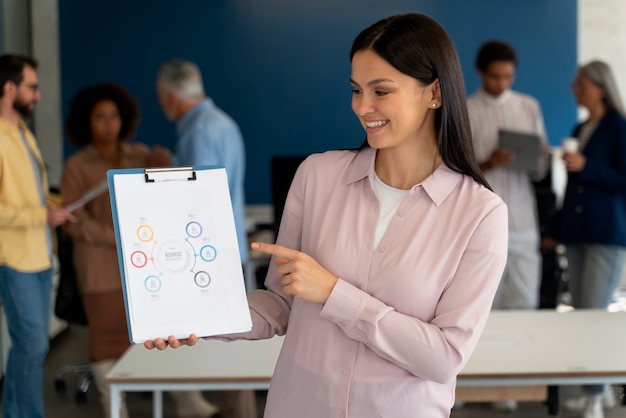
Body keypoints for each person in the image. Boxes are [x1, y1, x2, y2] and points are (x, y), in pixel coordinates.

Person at [145, 13, 508, 418]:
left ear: (434, 93)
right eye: (356, 89)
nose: (362, 106)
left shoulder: (480, 213)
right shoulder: (317, 175)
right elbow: (279, 305)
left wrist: (334, 293)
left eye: (381, 91)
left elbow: (443, 358)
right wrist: (193, 317)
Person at [60, 82, 220, 418]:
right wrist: (119, 236)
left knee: (166, 332)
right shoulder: (76, 165)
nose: (109, 123)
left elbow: (165, 198)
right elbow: (73, 222)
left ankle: (187, 402)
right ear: (85, 122)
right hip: (100, 268)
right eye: (100, 117)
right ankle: (114, 408)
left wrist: (168, 164)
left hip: (146, 265)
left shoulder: (140, 155)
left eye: (114, 116)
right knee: (106, 340)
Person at [149, 59, 257, 418]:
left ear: (169, 96)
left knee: (224, 351)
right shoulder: (222, 123)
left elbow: (195, 199)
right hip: (228, 250)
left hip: (209, 257)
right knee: (232, 347)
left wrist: (166, 169)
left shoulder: (197, 131)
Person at [466, 40, 550, 412]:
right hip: (479, 222)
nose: (502, 83)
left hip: (523, 219)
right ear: (482, 73)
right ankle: (476, 383)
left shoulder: (528, 106)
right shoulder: (466, 111)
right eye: (495, 76)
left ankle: (513, 387)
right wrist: (490, 161)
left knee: (525, 302)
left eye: (508, 76)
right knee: (482, 305)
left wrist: (530, 160)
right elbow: (455, 169)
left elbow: (543, 166)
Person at [549, 61, 626, 418]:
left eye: (580, 82)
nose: (573, 87)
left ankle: (595, 392)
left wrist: (586, 166)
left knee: (594, 312)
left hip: (606, 234)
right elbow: (575, 187)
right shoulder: (582, 126)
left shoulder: (618, 127)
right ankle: (598, 386)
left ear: (599, 86)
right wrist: (556, 229)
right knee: (581, 313)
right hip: (577, 233)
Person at [0, 54, 72, 418]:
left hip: (41, 255)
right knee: (32, 347)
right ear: (9, 88)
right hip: (14, 259)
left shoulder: (22, 132)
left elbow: (27, 192)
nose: (38, 96)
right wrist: (39, 216)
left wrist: (56, 208)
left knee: (29, 347)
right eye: (32, 87)